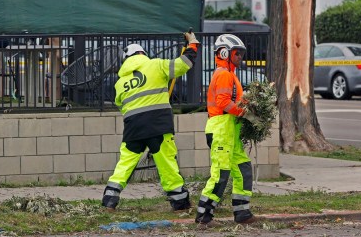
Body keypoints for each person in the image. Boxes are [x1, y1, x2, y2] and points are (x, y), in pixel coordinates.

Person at [101, 32, 200, 212]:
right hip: (158, 125)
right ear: (142, 54)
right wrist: (192, 44)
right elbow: (183, 64)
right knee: (167, 164)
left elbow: (121, 106)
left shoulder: (120, 82)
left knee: (125, 163)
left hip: (133, 127)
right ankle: (180, 203)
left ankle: (109, 200)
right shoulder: (156, 65)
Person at [195, 33, 256, 226]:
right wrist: (246, 113)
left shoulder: (231, 75)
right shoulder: (223, 74)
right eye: (237, 54)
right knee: (220, 174)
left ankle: (242, 213)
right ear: (224, 53)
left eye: (241, 54)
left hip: (231, 131)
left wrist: (252, 107)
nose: (240, 58)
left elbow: (236, 101)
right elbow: (223, 103)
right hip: (221, 129)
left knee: (243, 169)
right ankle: (203, 216)